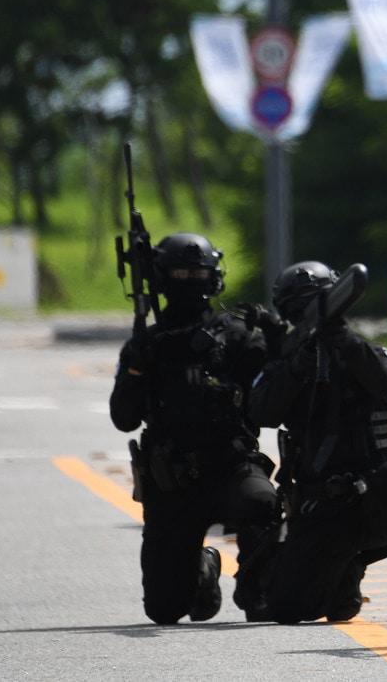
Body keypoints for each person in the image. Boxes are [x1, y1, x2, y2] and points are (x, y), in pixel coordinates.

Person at [250, 261, 387, 625]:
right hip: (321, 503)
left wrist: (345, 344)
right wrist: (296, 364)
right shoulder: (285, 362)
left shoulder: (363, 352)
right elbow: (263, 413)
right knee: (287, 610)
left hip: (373, 496)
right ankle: (346, 570)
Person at [109, 233, 276, 624]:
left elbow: (273, 405)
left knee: (263, 503)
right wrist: (135, 369)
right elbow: (124, 419)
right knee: (165, 610)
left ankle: (258, 587)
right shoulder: (146, 345)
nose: (190, 280)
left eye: (198, 272)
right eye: (181, 272)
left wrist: (278, 338)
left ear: (213, 277)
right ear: (163, 278)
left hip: (231, 467)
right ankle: (203, 567)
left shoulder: (236, 336)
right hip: (173, 482)